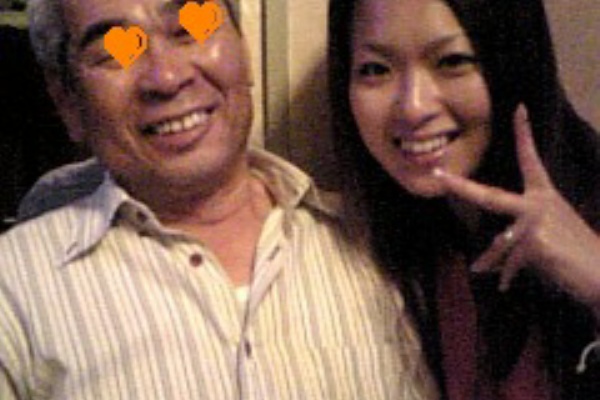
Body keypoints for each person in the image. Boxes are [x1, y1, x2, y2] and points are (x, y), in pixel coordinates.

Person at [0, 0, 438, 398]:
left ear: (243, 48)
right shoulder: (14, 288)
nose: (167, 77)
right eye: (116, 51)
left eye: (191, 28)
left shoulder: (380, 246)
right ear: (67, 101)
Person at [327, 0, 600, 398]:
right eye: (375, 69)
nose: (413, 107)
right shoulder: (407, 245)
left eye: (452, 61)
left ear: (514, 60)